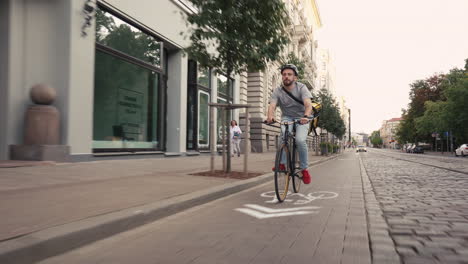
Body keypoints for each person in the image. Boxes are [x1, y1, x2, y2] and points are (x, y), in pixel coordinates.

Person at [266, 64, 313, 184]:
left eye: (289, 74)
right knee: (283, 137)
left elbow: (308, 104)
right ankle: (282, 164)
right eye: (284, 74)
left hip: (302, 117)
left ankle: (304, 169)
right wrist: (270, 116)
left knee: (300, 140)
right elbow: (272, 105)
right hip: (287, 117)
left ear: (295, 78)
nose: (286, 76)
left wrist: (306, 116)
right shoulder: (278, 91)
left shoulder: (302, 88)